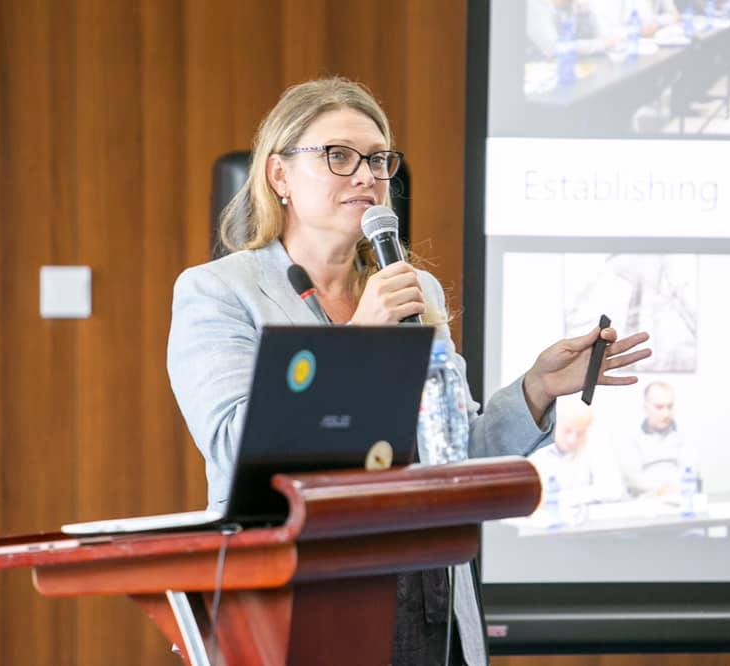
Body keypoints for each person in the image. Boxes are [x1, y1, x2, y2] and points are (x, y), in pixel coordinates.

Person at [166, 77, 650, 666]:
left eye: (378, 160)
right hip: (300, 596)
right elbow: (234, 445)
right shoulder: (220, 292)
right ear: (279, 175)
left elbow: (453, 455)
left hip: (427, 591)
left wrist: (538, 388)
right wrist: (357, 343)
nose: (365, 176)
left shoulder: (411, 289)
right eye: (338, 156)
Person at [528, 400, 628, 511]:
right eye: (567, 431)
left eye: (580, 433)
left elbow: (614, 490)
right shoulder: (534, 448)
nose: (572, 440)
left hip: (584, 519)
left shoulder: (596, 443)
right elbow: (531, 498)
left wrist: (564, 497)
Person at [619, 381, 696, 497]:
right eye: (659, 407)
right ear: (646, 408)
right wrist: (659, 489)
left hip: (678, 496)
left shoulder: (683, 435)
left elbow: (690, 469)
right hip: (644, 500)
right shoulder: (631, 437)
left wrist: (673, 488)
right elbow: (631, 477)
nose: (666, 413)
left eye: (669, 407)